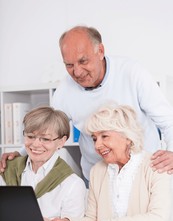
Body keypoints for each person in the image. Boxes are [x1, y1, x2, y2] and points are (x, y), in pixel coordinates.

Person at [1, 25, 173, 183]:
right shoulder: (65, 90)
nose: (77, 72)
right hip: (97, 178)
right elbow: (48, 130)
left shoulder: (132, 73)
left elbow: (168, 121)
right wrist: (21, 153)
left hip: (143, 173)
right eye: (69, 65)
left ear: (100, 51)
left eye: (83, 61)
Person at [45, 104, 171, 221]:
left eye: (104, 136)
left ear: (128, 137)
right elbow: (91, 220)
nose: (97, 145)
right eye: (94, 139)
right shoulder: (97, 171)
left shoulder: (156, 165)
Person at [0, 106, 86, 221]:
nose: (35, 144)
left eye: (45, 139)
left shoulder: (72, 184)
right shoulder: (6, 170)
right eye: (30, 136)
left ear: (61, 142)